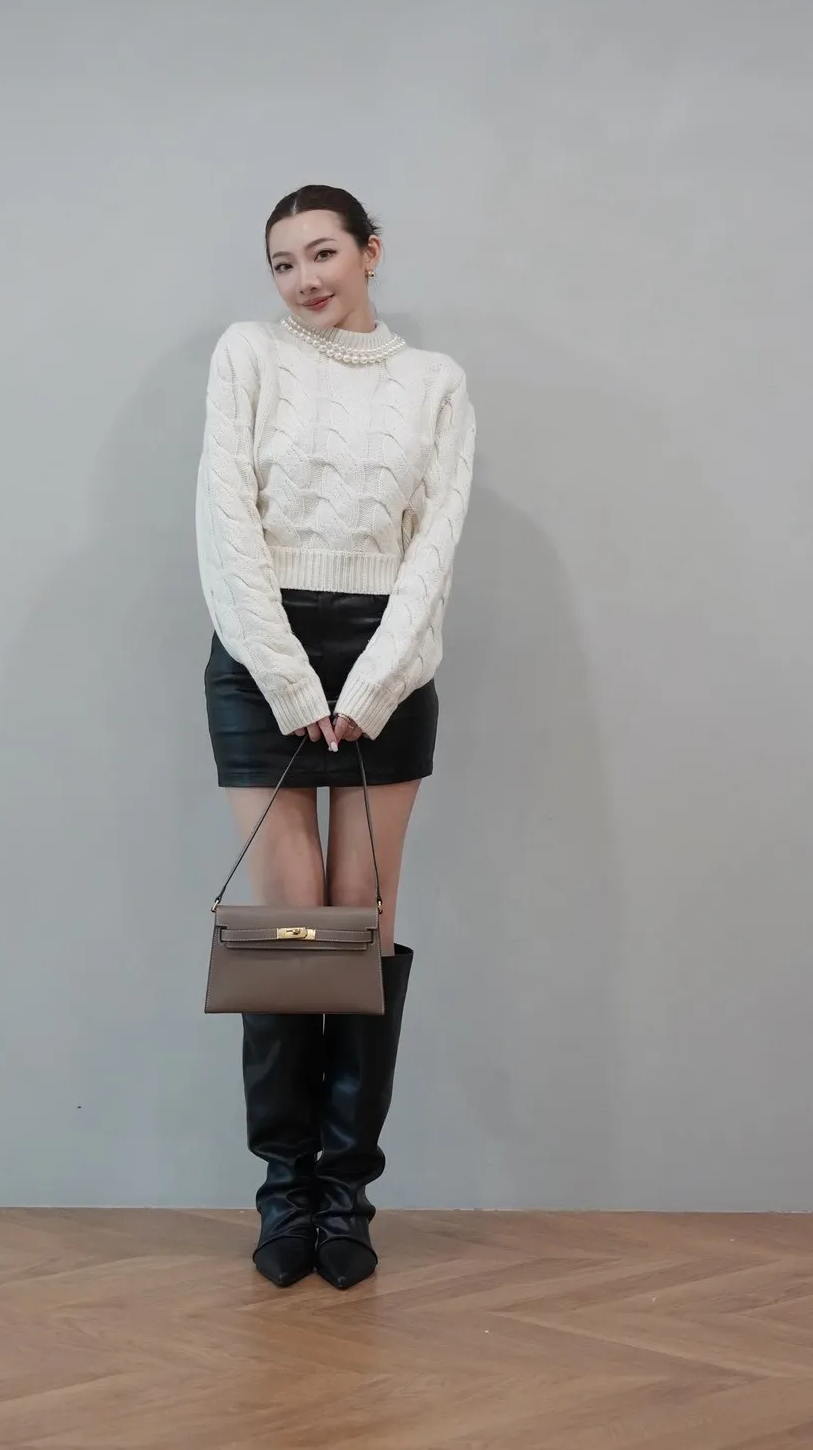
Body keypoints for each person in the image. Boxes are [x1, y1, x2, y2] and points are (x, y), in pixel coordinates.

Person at [195, 184, 475, 1290]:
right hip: (259, 647)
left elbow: (434, 543)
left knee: (360, 922)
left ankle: (345, 1196)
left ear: (370, 252)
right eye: (282, 262)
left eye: (322, 252)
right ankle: (284, 1189)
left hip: (385, 657)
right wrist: (286, 676)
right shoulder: (246, 356)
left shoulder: (434, 381)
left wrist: (371, 683)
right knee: (290, 929)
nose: (303, 278)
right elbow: (226, 524)